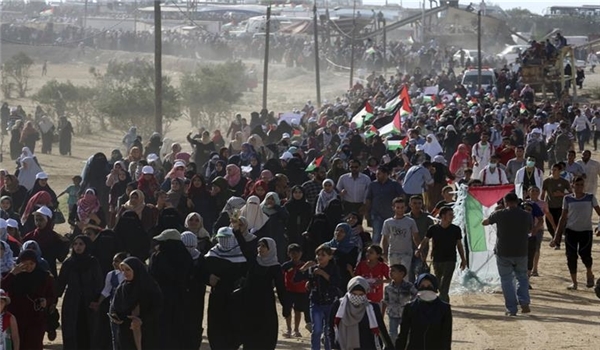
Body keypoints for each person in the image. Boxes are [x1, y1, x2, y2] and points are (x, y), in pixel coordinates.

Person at [483, 192, 532, 316]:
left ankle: (511, 308)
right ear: (517, 201)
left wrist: (494, 212)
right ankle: (524, 301)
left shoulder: (499, 214)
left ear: (505, 202)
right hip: (521, 251)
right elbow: (530, 229)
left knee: (506, 280)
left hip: (503, 251)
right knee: (522, 277)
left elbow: (485, 222)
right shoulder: (526, 215)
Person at [236, 237, 286, 350]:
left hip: (266, 304)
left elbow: (281, 287)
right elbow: (244, 248)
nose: (260, 248)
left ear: (270, 248)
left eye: (264, 246)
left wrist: (285, 305)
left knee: (266, 334)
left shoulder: (275, 267)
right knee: (249, 334)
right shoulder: (253, 261)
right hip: (250, 303)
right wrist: (237, 232)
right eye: (259, 246)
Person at [550, 177, 600, 290]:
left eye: (581, 184)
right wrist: (556, 236)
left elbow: (599, 212)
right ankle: (574, 282)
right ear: (572, 186)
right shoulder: (567, 199)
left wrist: (599, 227)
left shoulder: (590, 198)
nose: (579, 187)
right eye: (577, 184)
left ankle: (589, 273)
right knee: (571, 257)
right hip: (571, 231)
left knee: (585, 255)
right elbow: (563, 218)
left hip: (586, 231)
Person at [56, 235, 103, 349]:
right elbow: (60, 284)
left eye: (81, 244)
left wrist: (96, 300)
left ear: (86, 246)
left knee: (88, 331)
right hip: (72, 302)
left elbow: (99, 283)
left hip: (89, 301)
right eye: (75, 244)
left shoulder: (93, 262)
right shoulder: (68, 263)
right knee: (71, 331)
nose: (78, 247)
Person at [3, 250, 56, 350]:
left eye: (31, 263)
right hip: (16, 318)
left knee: (34, 345)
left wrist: (46, 301)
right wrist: (12, 273)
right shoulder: (14, 276)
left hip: (36, 319)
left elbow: (52, 295)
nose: (28, 267)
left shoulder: (45, 277)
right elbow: (2, 288)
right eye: (25, 264)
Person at [204, 227, 247, 350]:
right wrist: (208, 278)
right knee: (215, 326)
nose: (224, 241)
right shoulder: (212, 254)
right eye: (221, 238)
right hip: (217, 295)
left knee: (234, 325)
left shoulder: (241, 255)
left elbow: (247, 272)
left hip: (235, 297)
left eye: (227, 238)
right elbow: (202, 271)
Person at [148, 229, 192, 349]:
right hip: (180, 298)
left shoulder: (158, 257)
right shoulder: (186, 256)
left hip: (161, 298)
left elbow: (151, 275)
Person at [109, 257, 163, 350]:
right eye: (123, 270)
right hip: (126, 332)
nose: (125, 273)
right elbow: (114, 307)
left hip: (147, 331)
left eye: (128, 270)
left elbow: (157, 308)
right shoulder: (122, 288)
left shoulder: (149, 287)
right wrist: (115, 316)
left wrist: (141, 319)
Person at [416, 207, 467, 302]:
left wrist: (463, 259)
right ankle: (442, 301)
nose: (452, 217)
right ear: (443, 216)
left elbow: (459, 245)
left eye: (452, 215)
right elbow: (425, 240)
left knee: (446, 283)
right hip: (437, 259)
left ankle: (443, 304)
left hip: (450, 259)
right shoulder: (433, 229)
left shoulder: (455, 229)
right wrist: (419, 249)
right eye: (450, 215)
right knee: (438, 283)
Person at [295, 244, 341, 350]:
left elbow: (337, 282)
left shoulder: (334, 268)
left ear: (329, 257)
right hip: (316, 303)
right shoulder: (313, 269)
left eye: (323, 255)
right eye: (318, 254)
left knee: (328, 331)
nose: (319, 257)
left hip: (330, 303)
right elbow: (297, 279)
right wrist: (304, 268)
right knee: (317, 330)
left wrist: (323, 274)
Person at [329, 276, 394, 350]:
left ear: (366, 293)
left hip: (367, 346)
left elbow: (381, 328)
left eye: (361, 295)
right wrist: (333, 346)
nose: (357, 297)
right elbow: (331, 326)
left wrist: (389, 346)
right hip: (343, 345)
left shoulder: (372, 308)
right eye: (354, 294)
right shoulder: (339, 305)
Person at [396, 273, 452, 350]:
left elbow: (446, 336)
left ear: (435, 287)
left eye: (429, 286)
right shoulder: (410, 308)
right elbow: (403, 334)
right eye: (422, 286)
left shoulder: (444, 308)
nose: (426, 288)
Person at [90, 252, 128, 350]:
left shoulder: (128, 274)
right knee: (115, 333)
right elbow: (106, 290)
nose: (114, 263)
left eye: (117, 261)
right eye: (113, 261)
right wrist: (98, 302)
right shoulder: (111, 275)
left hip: (127, 306)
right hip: (114, 306)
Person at [365, 166, 405, 244]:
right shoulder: (373, 185)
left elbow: (402, 196)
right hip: (376, 214)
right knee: (376, 236)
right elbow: (368, 198)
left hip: (390, 214)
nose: (377, 175)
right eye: (376, 174)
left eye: (379, 174)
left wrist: (398, 206)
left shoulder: (394, 184)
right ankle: (375, 253)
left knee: (390, 236)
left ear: (386, 174)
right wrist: (367, 211)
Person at [381, 197, 420, 277]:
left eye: (402, 207)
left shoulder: (410, 222)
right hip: (393, 252)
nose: (400, 210)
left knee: (404, 275)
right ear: (393, 208)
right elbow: (385, 238)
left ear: (405, 208)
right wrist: (384, 252)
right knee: (393, 275)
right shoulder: (388, 222)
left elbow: (415, 236)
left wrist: (419, 249)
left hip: (406, 252)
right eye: (398, 207)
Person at [383, 264, 417, 343]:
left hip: (405, 315)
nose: (390, 273)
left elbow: (416, 296)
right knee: (392, 335)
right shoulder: (388, 288)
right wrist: (382, 314)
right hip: (392, 314)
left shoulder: (409, 286)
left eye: (393, 271)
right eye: (390, 271)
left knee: (407, 334)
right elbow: (385, 301)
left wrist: (411, 306)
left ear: (401, 273)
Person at [542, 163, 571, 250]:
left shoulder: (564, 182)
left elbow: (572, 193)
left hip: (560, 207)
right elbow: (543, 193)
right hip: (549, 206)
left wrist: (562, 194)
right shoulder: (547, 181)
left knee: (560, 225)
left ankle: (557, 242)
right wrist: (541, 204)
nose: (553, 171)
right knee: (550, 225)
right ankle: (555, 239)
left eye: (555, 170)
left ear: (560, 171)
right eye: (552, 169)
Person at [282, 243, 309, 338]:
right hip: (288, 291)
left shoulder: (305, 265)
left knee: (298, 310)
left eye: (297, 252)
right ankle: (288, 329)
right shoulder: (286, 265)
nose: (295, 255)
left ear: (301, 253)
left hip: (301, 291)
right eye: (293, 253)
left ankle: (296, 329)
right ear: (289, 254)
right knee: (287, 310)